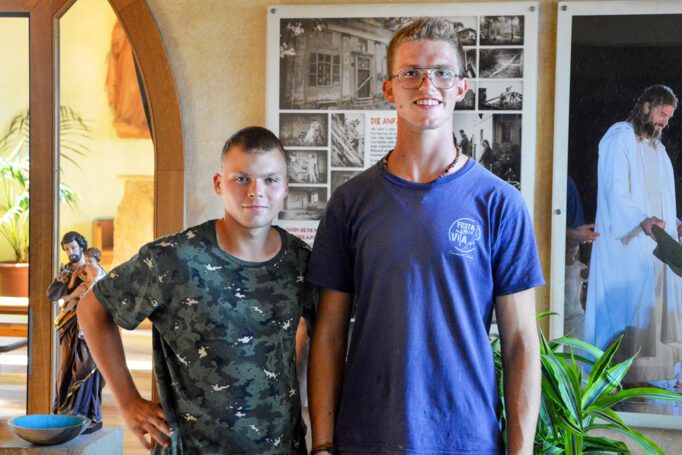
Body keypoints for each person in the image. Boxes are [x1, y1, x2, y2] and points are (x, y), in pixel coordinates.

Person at [307, 18, 543, 455]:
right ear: (388, 89)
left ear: (461, 87)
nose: (426, 84)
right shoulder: (350, 202)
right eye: (410, 72)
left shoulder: (500, 203)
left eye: (442, 72)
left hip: (466, 439)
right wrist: (322, 444)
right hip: (367, 437)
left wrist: (521, 449)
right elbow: (329, 335)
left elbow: (520, 341)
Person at [78, 126, 316, 453]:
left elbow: (317, 334)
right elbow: (92, 308)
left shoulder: (301, 262)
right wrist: (128, 401)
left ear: (286, 186)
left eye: (270, 180)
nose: (256, 191)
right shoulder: (173, 258)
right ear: (219, 184)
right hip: (192, 447)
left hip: (281, 448)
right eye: (241, 179)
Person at [585, 85, 682, 387]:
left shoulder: (657, 149)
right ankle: (612, 378)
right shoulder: (619, 138)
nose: (665, 122)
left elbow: (659, 197)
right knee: (624, 309)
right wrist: (640, 220)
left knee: (652, 308)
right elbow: (615, 191)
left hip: (652, 242)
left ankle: (646, 378)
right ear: (646, 106)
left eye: (669, 117)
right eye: (662, 114)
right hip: (625, 243)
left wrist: (674, 224)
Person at [47, 231, 104, 433]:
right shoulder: (66, 271)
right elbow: (52, 294)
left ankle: (86, 413)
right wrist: (72, 289)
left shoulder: (94, 268)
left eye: (73, 247)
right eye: (66, 249)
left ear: (82, 247)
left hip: (89, 325)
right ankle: (65, 409)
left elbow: (104, 290)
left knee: (86, 365)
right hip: (69, 325)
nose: (70, 252)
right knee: (65, 366)